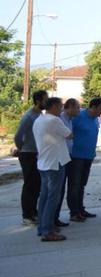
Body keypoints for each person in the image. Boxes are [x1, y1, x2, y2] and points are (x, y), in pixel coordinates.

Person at [32, 97, 72, 242]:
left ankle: (42, 227)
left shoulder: (39, 120)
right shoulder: (54, 120)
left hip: (43, 162)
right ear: (54, 107)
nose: (62, 109)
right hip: (55, 162)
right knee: (52, 199)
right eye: (60, 107)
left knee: (44, 197)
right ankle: (48, 231)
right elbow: (69, 135)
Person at [14, 89, 48, 226]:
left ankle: (34, 213)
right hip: (28, 154)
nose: (47, 101)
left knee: (37, 185)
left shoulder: (41, 115)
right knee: (29, 185)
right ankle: (27, 216)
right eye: (45, 99)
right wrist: (23, 149)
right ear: (38, 101)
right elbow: (18, 136)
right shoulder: (29, 117)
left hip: (38, 154)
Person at [69, 97, 101, 222]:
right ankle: (74, 212)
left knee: (82, 185)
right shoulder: (78, 116)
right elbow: (68, 132)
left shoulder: (96, 120)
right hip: (76, 156)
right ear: (93, 107)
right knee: (75, 185)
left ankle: (80, 209)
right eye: (100, 109)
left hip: (88, 156)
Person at [54, 98, 80, 227]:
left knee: (67, 186)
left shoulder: (70, 120)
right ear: (69, 108)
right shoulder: (60, 119)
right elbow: (68, 136)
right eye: (77, 108)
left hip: (69, 155)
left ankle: (58, 217)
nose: (78, 110)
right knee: (59, 188)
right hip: (61, 157)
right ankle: (53, 218)